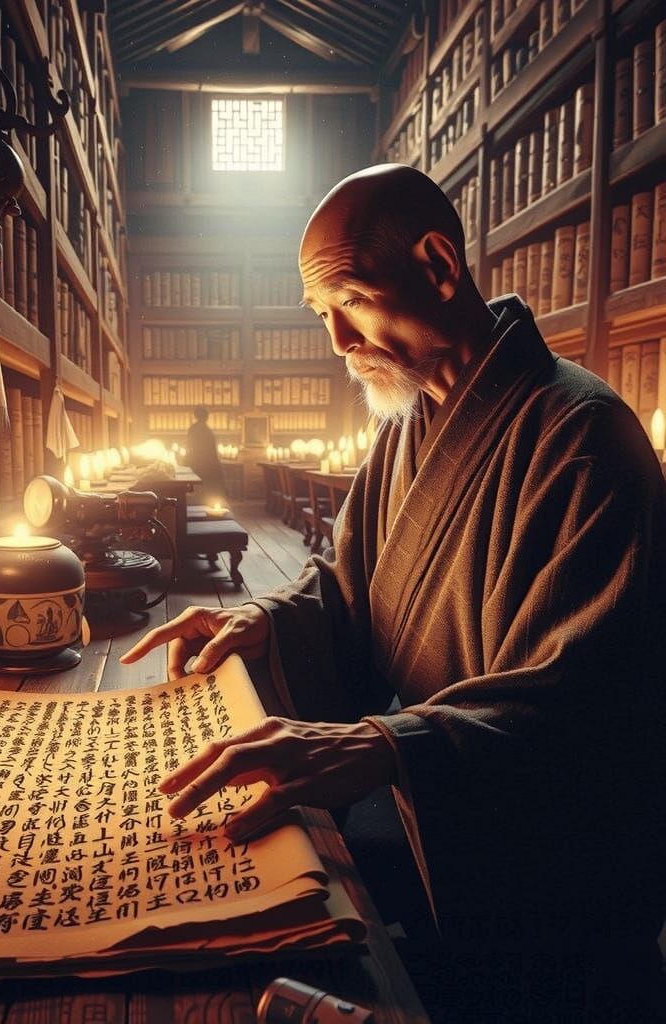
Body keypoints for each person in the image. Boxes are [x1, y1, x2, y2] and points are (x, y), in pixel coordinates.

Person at [121, 164, 666, 1022]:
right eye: (319, 315)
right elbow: (345, 594)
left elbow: (579, 702)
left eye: (350, 300)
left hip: (535, 877)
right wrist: (262, 624)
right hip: (428, 800)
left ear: (439, 267)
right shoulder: (406, 428)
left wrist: (388, 744)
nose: (335, 338)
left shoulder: (582, 437)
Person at [185, 405, 227, 505]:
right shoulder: (207, 431)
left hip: (195, 463)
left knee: (198, 491)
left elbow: (189, 447)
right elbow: (212, 451)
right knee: (207, 491)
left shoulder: (192, 429)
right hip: (208, 464)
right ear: (206, 416)